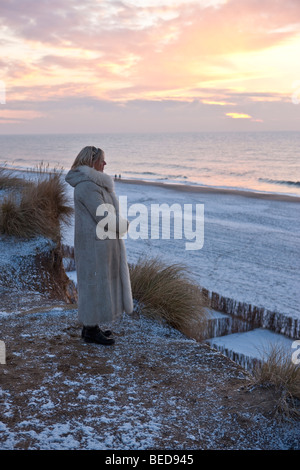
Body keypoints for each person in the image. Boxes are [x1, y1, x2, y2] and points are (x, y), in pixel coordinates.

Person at [65, 146, 133, 345]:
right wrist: (124, 226)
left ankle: (91, 327)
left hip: (98, 244)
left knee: (95, 283)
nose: (105, 164)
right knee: (92, 285)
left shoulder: (95, 184)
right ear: (92, 162)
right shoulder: (87, 186)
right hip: (93, 246)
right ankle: (90, 330)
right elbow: (103, 216)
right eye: (102, 160)